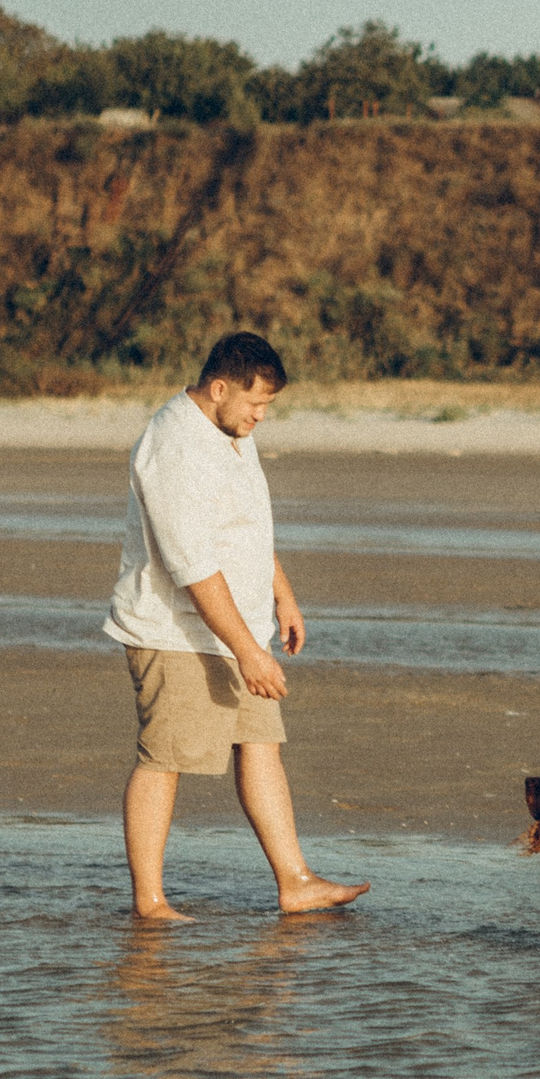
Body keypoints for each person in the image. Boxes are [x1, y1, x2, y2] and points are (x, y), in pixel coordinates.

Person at [104, 331, 369, 922]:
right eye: (256, 403)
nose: (260, 416)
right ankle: (149, 901)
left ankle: (295, 881)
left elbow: (247, 528)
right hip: (175, 635)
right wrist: (250, 651)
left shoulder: (229, 432)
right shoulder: (174, 446)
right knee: (163, 759)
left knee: (262, 747)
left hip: (237, 630)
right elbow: (191, 565)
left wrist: (283, 596)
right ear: (219, 388)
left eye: (267, 406)